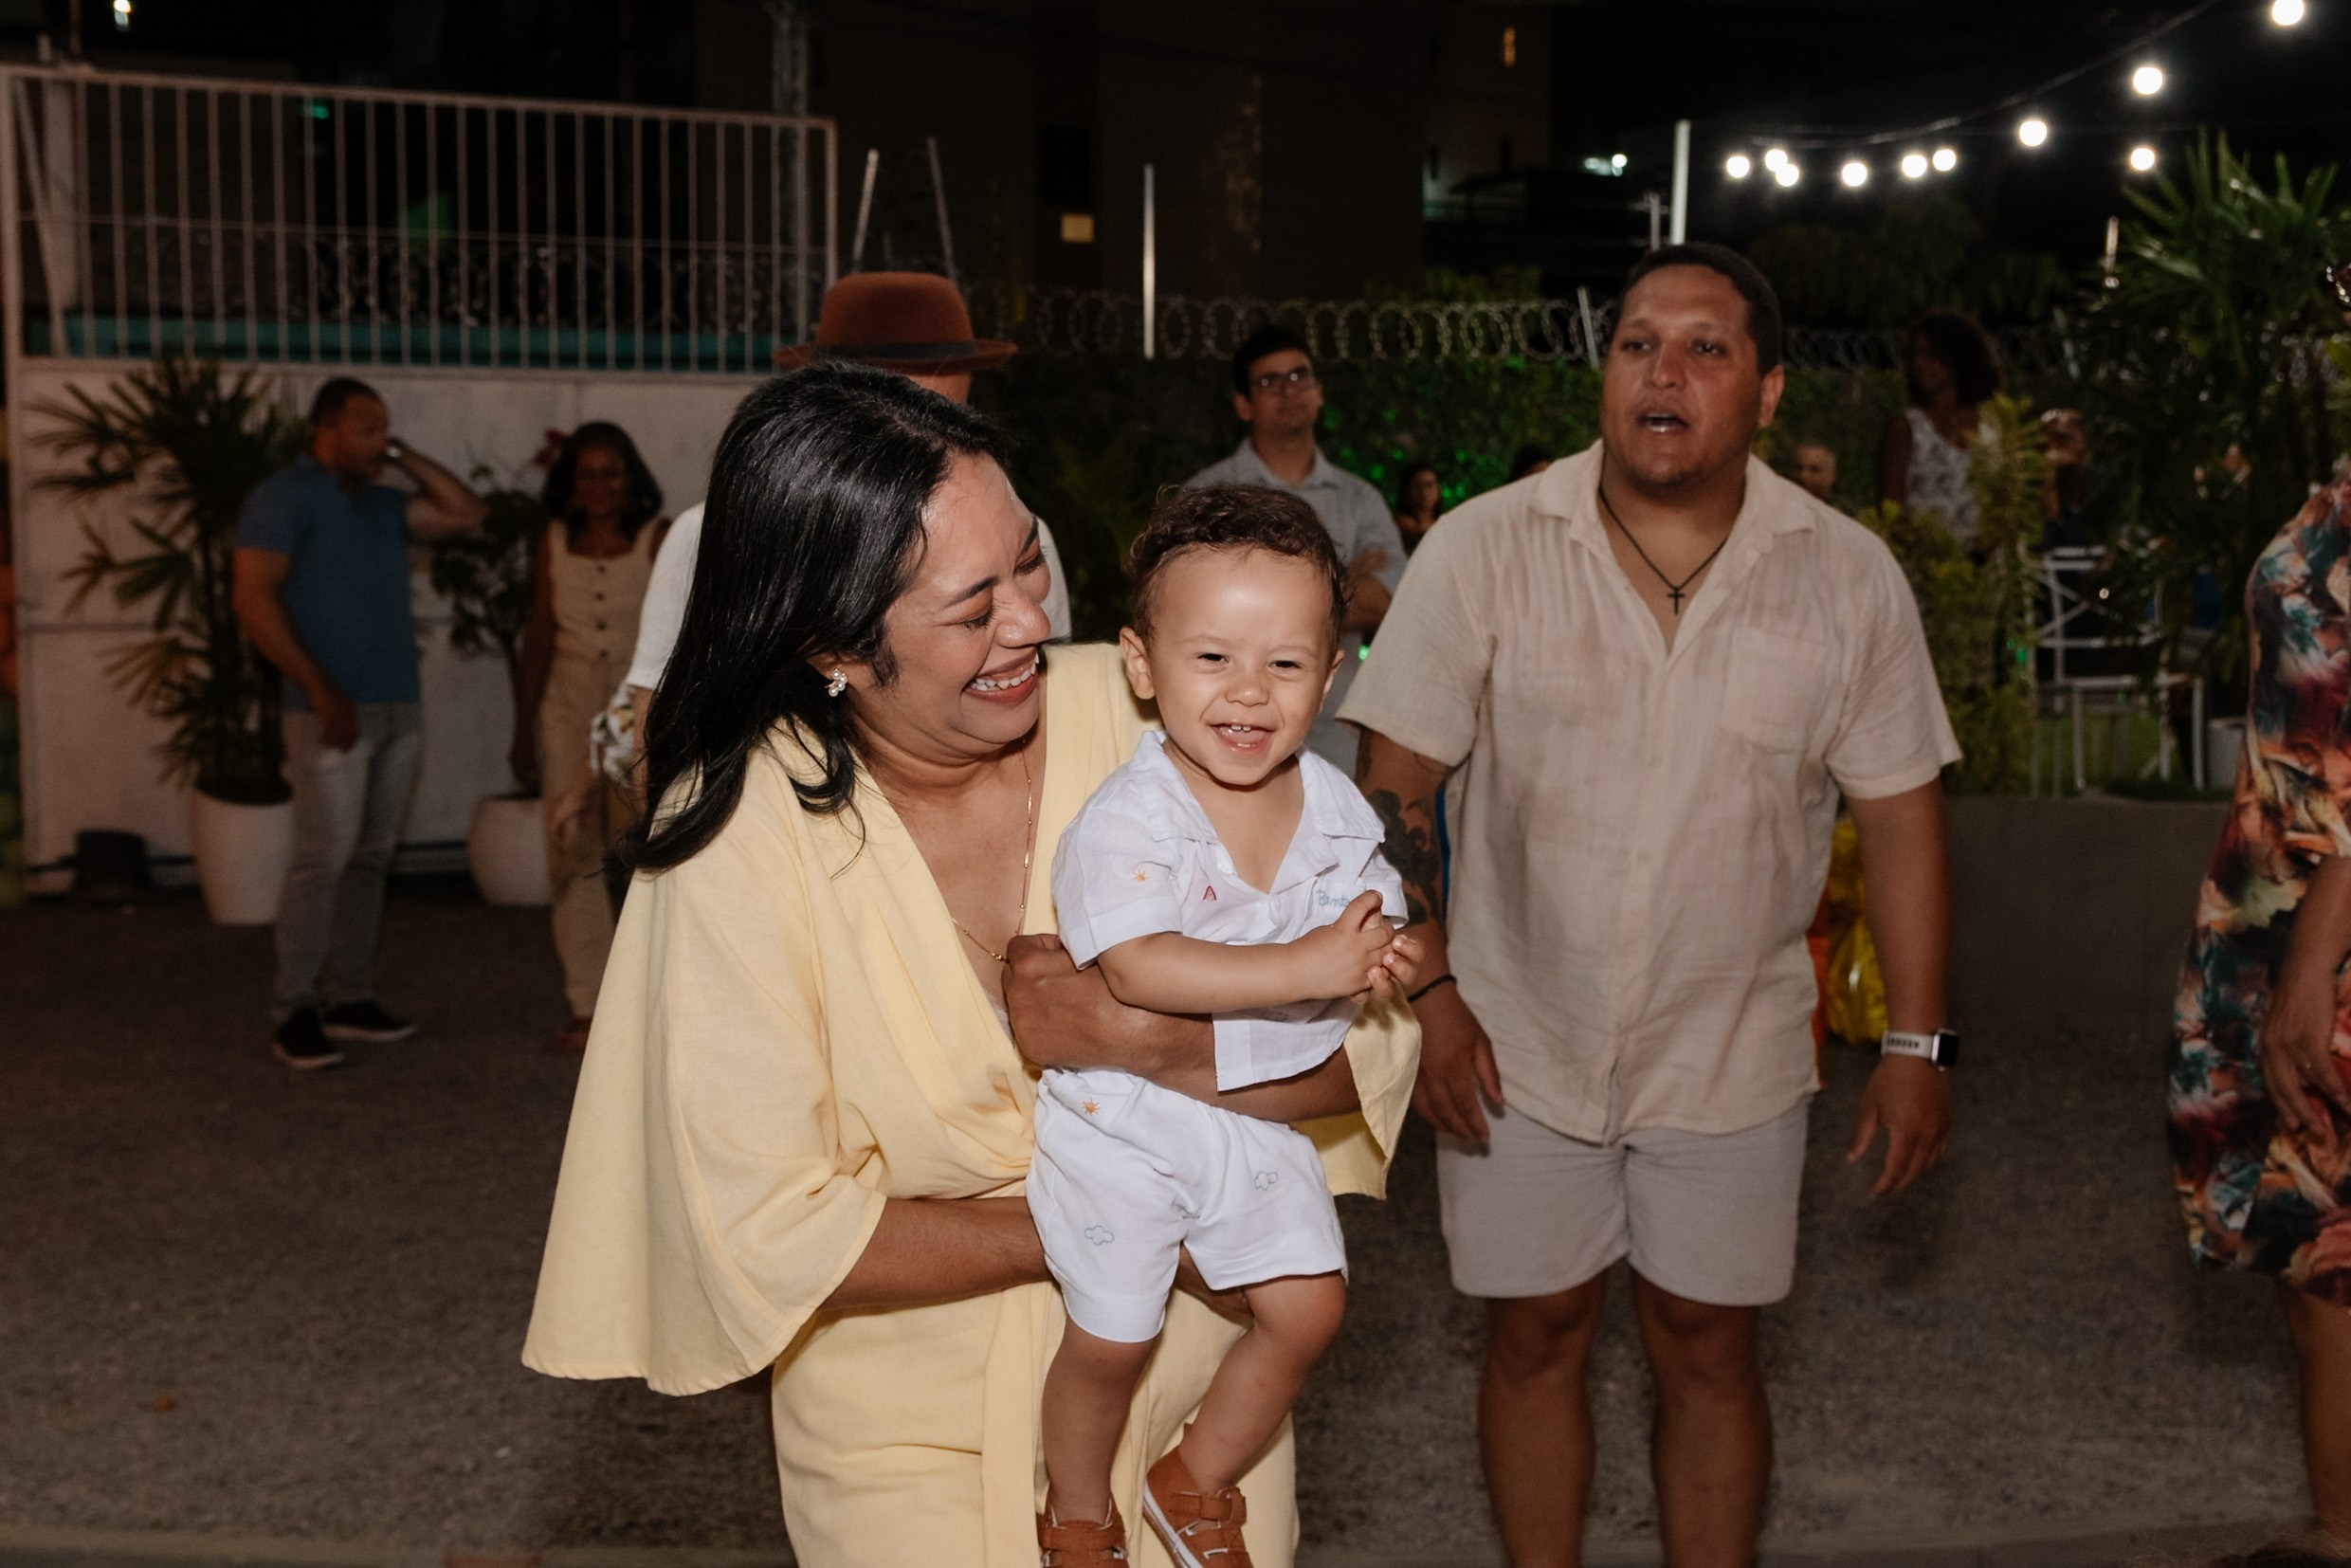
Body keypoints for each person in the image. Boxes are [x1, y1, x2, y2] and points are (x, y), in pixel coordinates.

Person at [520, 364, 1420, 1568]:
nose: (1025, 625)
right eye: (970, 602)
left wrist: (1140, 1041)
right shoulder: (742, 829)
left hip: (1193, 1430)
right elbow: (764, 1219)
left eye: (1027, 564)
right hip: (904, 1450)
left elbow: (1372, 1042)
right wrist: (1114, 1223)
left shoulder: (1165, 713)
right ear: (830, 638)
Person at [1342, 243, 1960, 1568]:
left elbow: (1903, 820)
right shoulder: (1485, 548)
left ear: (1770, 391)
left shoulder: (1846, 578)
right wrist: (1431, 996)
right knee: (1534, 1328)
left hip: (1732, 1039)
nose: (1661, 372)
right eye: (1635, 344)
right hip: (1514, 1030)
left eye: (1703, 347)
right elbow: (1393, 790)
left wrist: (1918, 1044)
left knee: (1710, 1344)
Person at [1033, 486, 1419, 1565]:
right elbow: (1137, 964)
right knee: (1116, 1333)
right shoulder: (1133, 813)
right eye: (1212, 659)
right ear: (1141, 664)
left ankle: (1191, 1478)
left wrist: (1385, 943)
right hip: (1123, 1119)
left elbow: (1369, 902)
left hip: (1249, 1122)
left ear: (1332, 677)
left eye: (1286, 665)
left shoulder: (1333, 804)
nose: (1248, 691)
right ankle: (1073, 1506)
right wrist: (1308, 964)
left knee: (1310, 1307)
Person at [545, 271, 1076, 847]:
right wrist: (671, 848)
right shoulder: (714, 534)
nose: (1025, 617)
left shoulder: (1020, 534)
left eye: (946, 374)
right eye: (899, 386)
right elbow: (656, 703)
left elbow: (1042, 696)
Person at [2170, 462, 2351, 1548]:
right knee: (2317, 1260)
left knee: (2329, 1254)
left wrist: (2313, 959)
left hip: (2322, 929)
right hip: (2280, 904)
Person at [232, 378, 488, 1071]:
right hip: (326, 711)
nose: (381, 439)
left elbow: (467, 514)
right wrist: (318, 687)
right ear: (325, 427)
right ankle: (294, 1009)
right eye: (367, 428)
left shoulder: (381, 504)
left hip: (396, 706)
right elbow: (251, 599)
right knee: (324, 858)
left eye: (386, 428)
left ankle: (350, 995)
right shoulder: (282, 498)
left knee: (371, 858)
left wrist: (399, 453)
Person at [510, 424, 672, 1053]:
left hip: (637, 712)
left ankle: (649, 1001)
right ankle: (589, 1001)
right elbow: (540, 636)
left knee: (643, 852)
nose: (599, 486)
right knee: (571, 853)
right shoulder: (553, 542)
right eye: (587, 474)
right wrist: (522, 727)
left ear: (630, 478)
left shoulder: (655, 540)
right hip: (568, 706)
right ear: (569, 485)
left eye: (611, 472)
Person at [1187, 325, 1405, 771]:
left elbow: (1389, 599)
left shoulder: (1359, 498)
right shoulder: (1209, 494)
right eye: (1269, 382)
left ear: (1319, 391)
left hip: (1341, 725)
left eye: (1299, 376)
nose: (1289, 390)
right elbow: (1195, 609)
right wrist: (1343, 581)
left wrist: (1261, 593)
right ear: (1243, 405)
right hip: (1240, 719)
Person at [1876, 311, 2002, 546]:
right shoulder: (1907, 427)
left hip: (1988, 564)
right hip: (1927, 564)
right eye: (1916, 355)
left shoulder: (1992, 426)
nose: (1920, 365)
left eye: (1931, 356)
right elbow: (1890, 509)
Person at [1394, 460, 1444, 556]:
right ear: (1406, 491)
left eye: (1429, 485)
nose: (1424, 492)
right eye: (1417, 486)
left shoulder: (1443, 524)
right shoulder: (1396, 526)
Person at [1793, 440, 1839, 505]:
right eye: (1798, 468)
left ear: (1830, 477)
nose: (1803, 475)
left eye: (1814, 470)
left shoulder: (1842, 513)